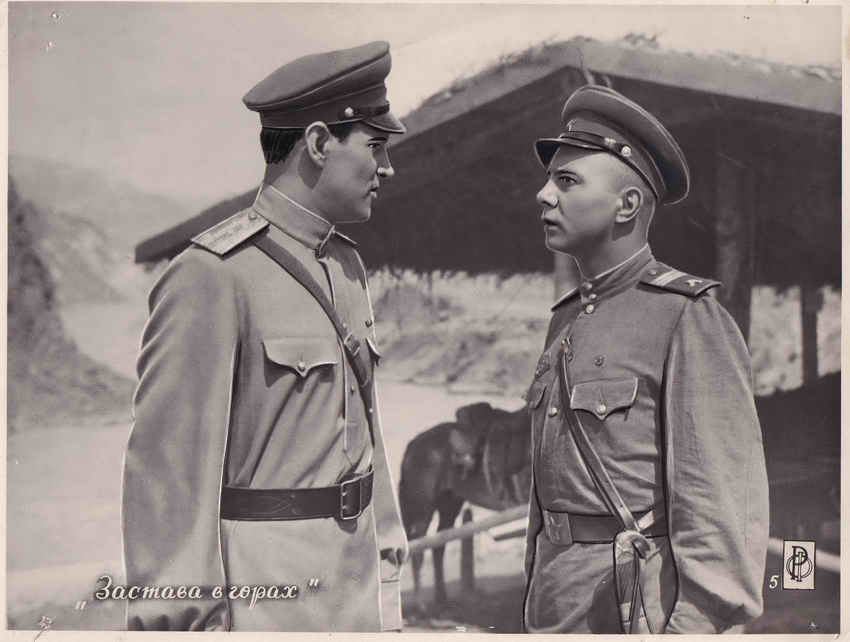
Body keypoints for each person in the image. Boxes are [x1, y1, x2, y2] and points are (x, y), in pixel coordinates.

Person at [122, 41, 408, 632]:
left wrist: (387, 562)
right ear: (319, 143)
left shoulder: (347, 268)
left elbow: (366, 432)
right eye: (375, 146)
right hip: (266, 597)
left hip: (353, 586)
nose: (387, 168)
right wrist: (181, 618)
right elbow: (170, 473)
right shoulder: (212, 274)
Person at [521, 85, 769, 634]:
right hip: (554, 604)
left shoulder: (687, 317)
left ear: (627, 205)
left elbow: (722, 503)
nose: (543, 194)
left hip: (634, 609)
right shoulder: (566, 319)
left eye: (567, 181)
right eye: (549, 180)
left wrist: (694, 627)